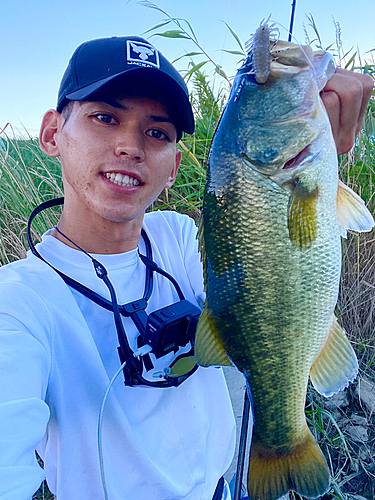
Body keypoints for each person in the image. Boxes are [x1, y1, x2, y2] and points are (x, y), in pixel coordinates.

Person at [0, 35, 372, 500]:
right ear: (53, 134)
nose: (130, 146)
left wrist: (328, 151)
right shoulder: (16, 307)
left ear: (174, 167)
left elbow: (275, 267)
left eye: (157, 132)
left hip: (228, 487)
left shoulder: (177, 238)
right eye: (105, 117)